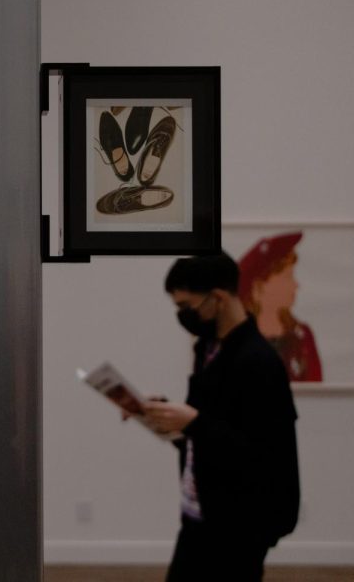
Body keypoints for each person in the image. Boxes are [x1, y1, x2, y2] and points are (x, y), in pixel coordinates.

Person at [131, 253, 300, 581]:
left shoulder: (259, 362)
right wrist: (160, 413)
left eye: (186, 306)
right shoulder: (207, 348)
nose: (183, 316)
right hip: (201, 510)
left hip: (240, 520)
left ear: (219, 298)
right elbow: (208, 424)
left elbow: (263, 454)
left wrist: (192, 421)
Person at [238, 231, 322, 382]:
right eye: (287, 277)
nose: (296, 285)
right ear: (258, 288)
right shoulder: (238, 342)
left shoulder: (302, 337)